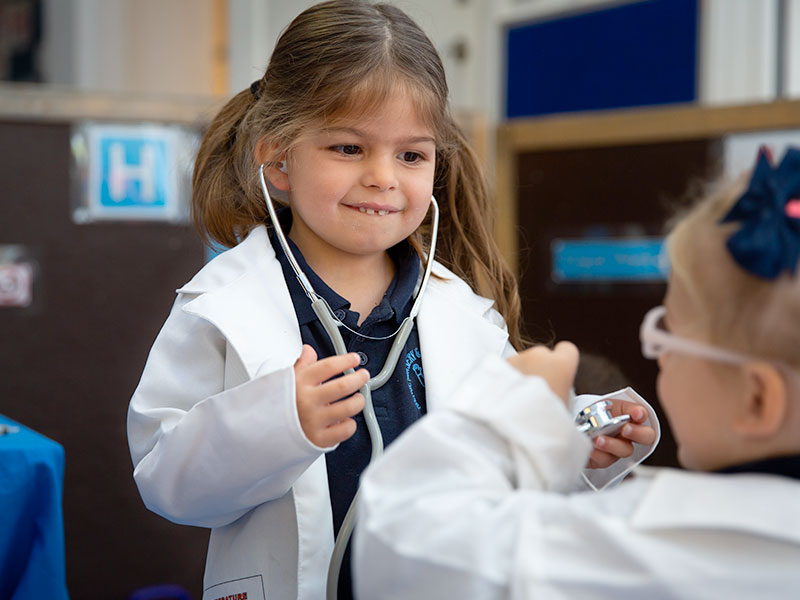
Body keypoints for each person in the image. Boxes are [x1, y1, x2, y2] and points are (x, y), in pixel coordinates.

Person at [126, 2, 657, 599]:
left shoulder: (463, 316)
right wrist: (277, 423)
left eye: (410, 155)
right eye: (348, 148)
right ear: (277, 160)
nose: (383, 177)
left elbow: (508, 450)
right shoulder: (221, 307)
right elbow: (165, 479)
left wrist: (576, 442)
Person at [354, 146, 800, 599]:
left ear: (758, 399)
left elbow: (403, 547)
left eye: (669, 332)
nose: (660, 355)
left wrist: (514, 413)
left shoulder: (656, 555)